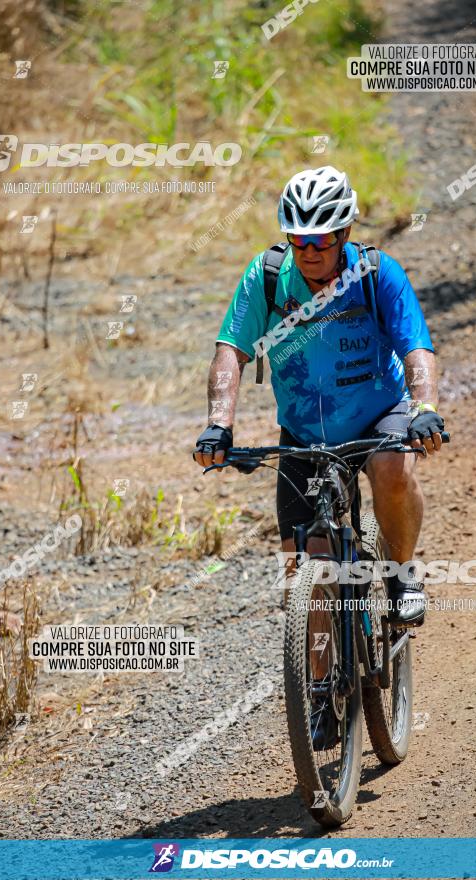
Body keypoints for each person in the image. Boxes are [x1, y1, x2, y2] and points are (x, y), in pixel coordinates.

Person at [194, 165, 445, 629]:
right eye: (298, 240)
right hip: (304, 432)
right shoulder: (266, 276)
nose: (309, 251)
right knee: (303, 593)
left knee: (392, 467)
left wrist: (424, 407)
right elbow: (231, 351)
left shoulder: (377, 273)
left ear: (345, 231)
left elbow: (416, 346)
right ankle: (323, 696)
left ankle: (403, 576)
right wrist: (220, 422)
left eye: (322, 240)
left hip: (379, 414)